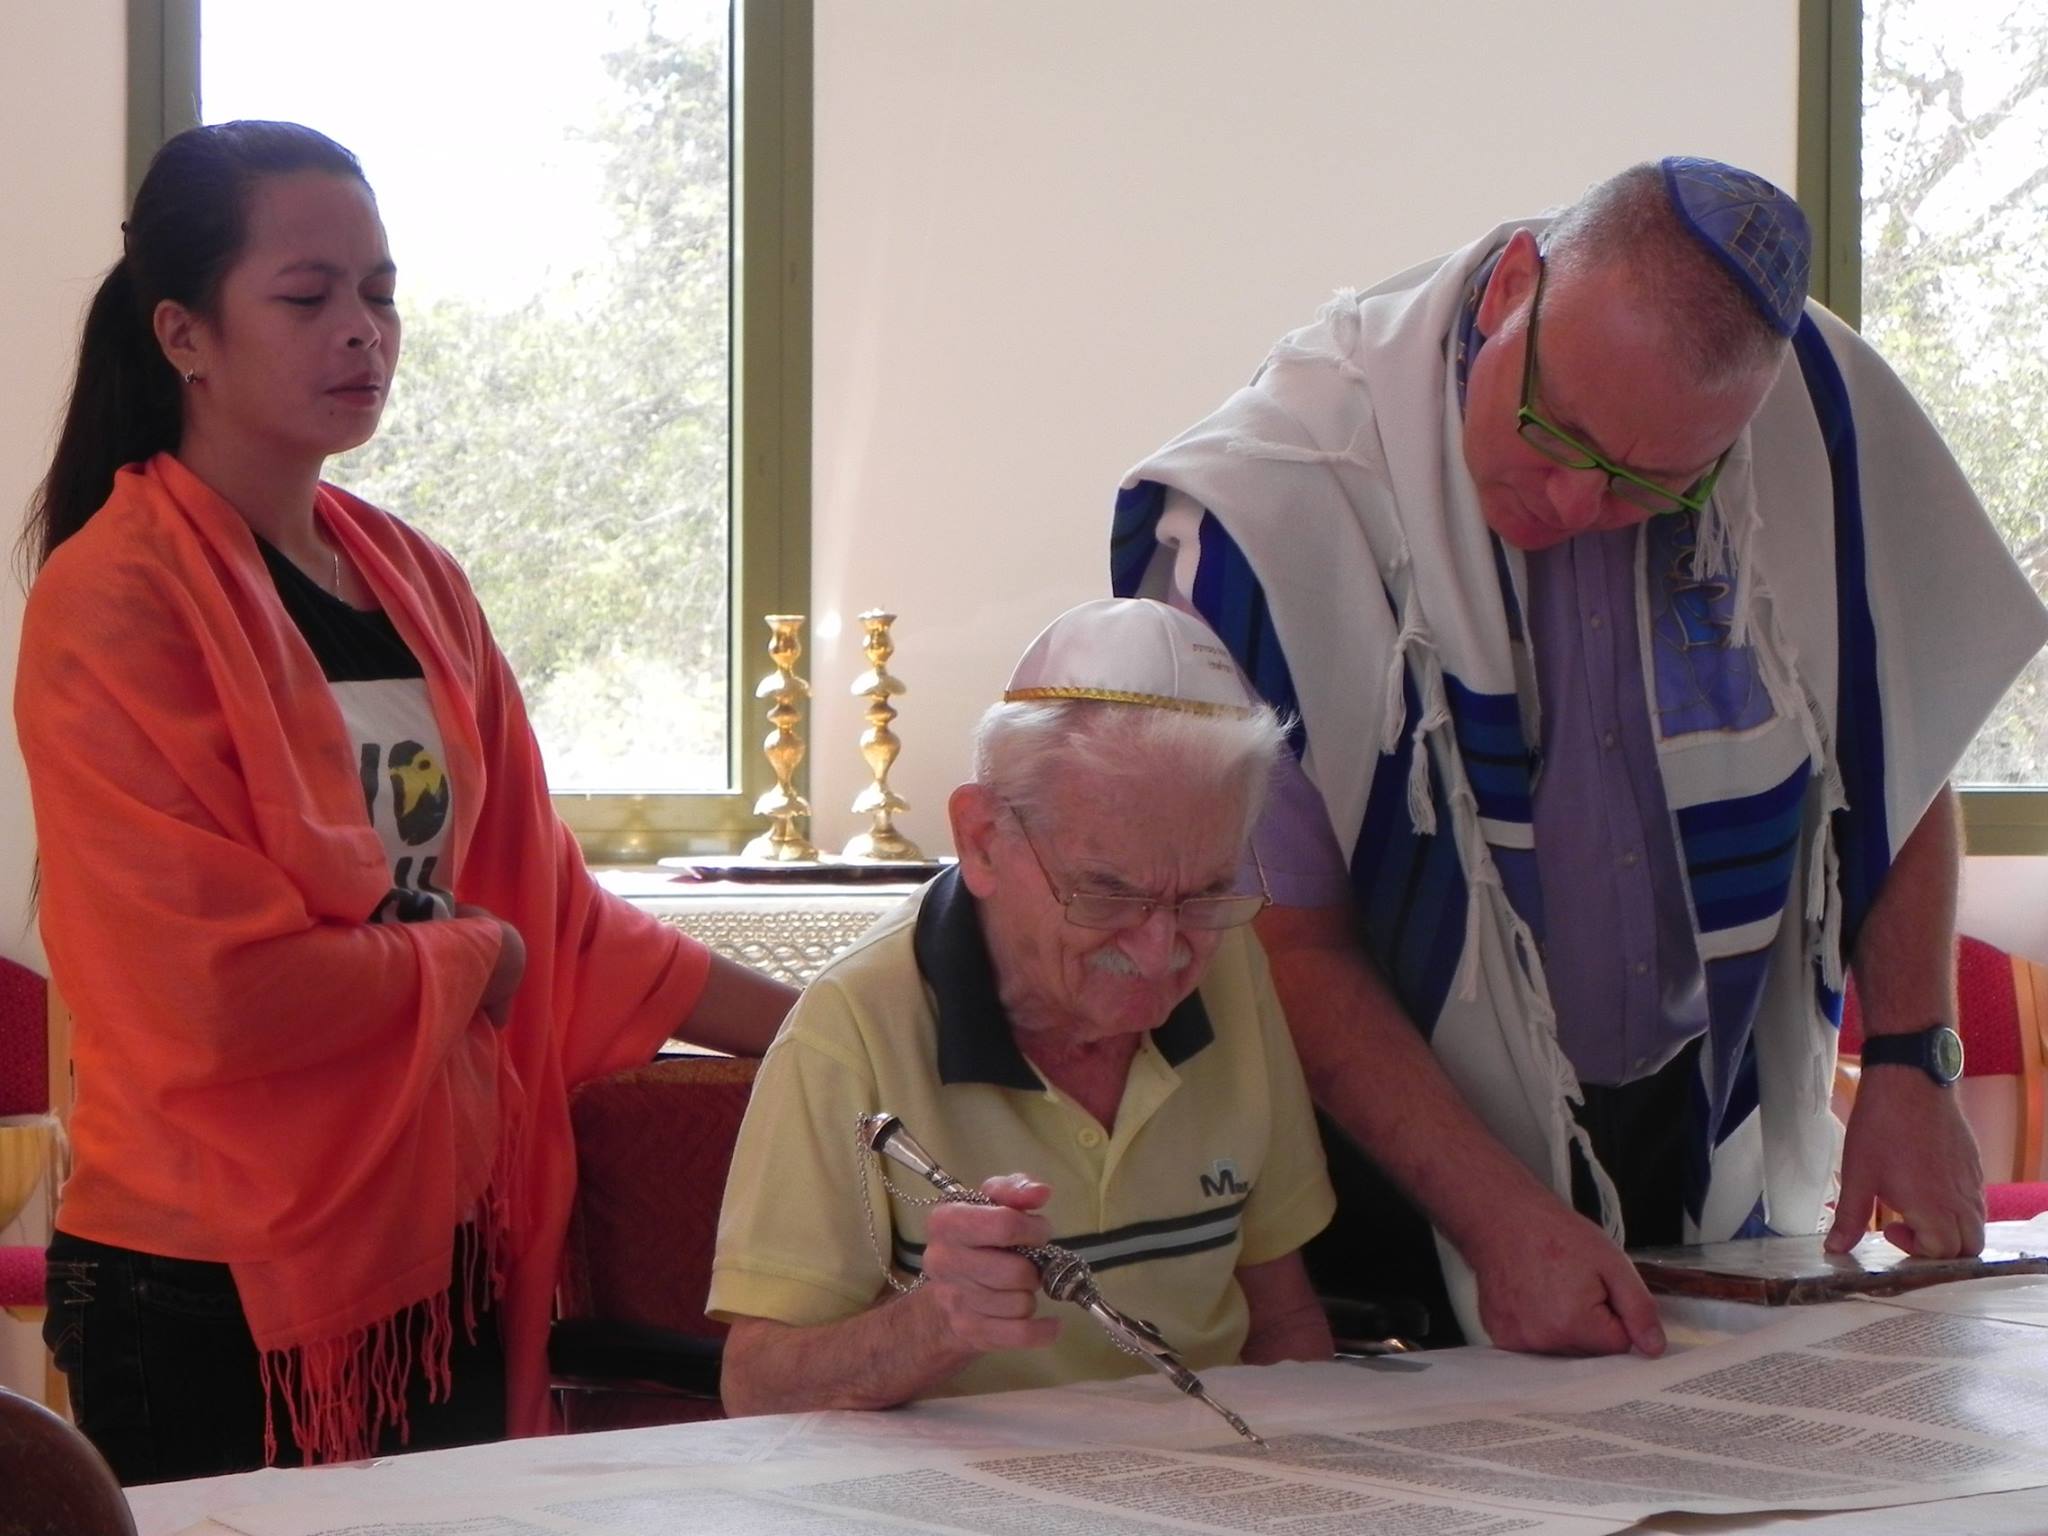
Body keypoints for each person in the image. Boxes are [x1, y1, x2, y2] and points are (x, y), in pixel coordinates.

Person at [1110, 158, 2048, 1358]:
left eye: (1646, 486)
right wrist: (1498, 1218)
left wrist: (1914, 1059)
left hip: (1691, 1119)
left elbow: (1886, 751)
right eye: (1553, 433)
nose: (1568, 503)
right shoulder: (1280, 495)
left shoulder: (1815, 423)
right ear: (1512, 286)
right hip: (1376, 1151)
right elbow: (1288, 944)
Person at [15, 120, 796, 1483]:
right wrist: (470, 958)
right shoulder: (117, 596)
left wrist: (834, 1036)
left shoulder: (415, 579)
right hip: (210, 1275)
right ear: (184, 334)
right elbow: (212, 991)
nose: (361, 331)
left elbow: (559, 918)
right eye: (306, 296)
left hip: (443, 1243)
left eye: (380, 293)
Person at [709, 598, 1336, 1413]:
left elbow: (1284, 1319)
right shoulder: (852, 1024)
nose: (1160, 952)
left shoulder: (1231, 963)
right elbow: (755, 1386)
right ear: (981, 840)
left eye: (1205, 894)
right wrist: (935, 1323)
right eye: (1107, 893)